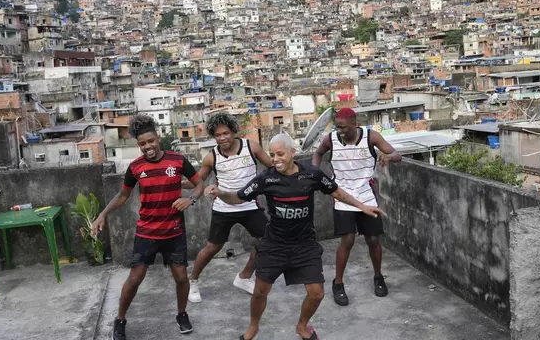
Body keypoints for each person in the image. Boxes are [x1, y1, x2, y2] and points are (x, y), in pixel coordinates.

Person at [206, 133, 386, 340]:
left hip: (304, 245)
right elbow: (237, 198)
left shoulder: (311, 174)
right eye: (272, 155)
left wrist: (362, 206)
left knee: (317, 293)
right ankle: (253, 328)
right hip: (275, 244)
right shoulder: (266, 178)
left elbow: (336, 191)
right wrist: (220, 193)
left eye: (280, 154)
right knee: (260, 291)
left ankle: (302, 326)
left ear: (293, 153)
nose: (275, 159)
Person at [91, 114, 205, 340]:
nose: (148, 147)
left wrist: (190, 199)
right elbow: (123, 195)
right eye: (143, 144)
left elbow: (199, 183)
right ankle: (120, 320)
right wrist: (102, 214)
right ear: (138, 145)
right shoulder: (135, 167)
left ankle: (182, 314)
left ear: (158, 137)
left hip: (174, 231)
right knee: (135, 278)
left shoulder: (178, 160)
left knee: (181, 277)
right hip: (147, 232)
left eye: (151, 141)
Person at [311, 107, 401, 306]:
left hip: (367, 196)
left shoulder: (371, 137)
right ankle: (338, 283)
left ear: (355, 125)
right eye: (337, 126)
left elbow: (397, 154)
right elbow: (317, 154)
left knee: (373, 239)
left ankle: (378, 277)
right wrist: (314, 172)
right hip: (342, 196)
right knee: (348, 240)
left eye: (343, 127)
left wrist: (388, 157)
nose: (340, 130)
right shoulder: (330, 140)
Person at [181, 113, 273, 303]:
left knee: (268, 242)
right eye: (218, 135)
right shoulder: (211, 157)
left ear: (233, 132)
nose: (222, 138)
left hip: (249, 204)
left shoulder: (251, 147)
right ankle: (193, 281)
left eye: (226, 133)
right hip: (224, 207)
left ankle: (244, 277)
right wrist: (176, 182)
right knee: (213, 247)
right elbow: (197, 181)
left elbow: (272, 167)